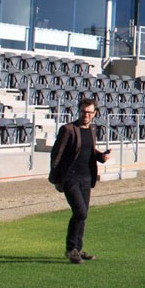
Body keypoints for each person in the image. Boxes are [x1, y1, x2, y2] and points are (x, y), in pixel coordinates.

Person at [48, 99, 111, 264]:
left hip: (86, 178)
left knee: (82, 215)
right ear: (79, 111)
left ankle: (78, 248)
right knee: (80, 212)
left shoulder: (90, 130)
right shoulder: (68, 129)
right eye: (84, 112)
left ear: (94, 114)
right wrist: (55, 179)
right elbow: (56, 154)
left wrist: (101, 156)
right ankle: (70, 250)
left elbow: (89, 151)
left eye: (90, 112)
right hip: (70, 178)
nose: (87, 115)